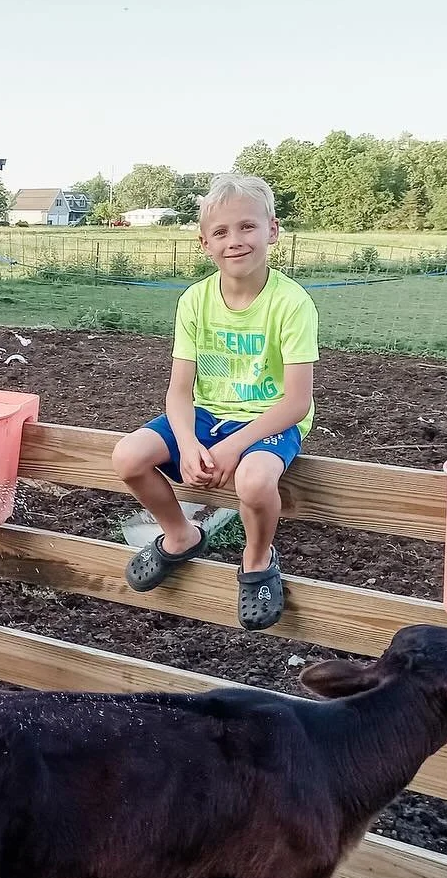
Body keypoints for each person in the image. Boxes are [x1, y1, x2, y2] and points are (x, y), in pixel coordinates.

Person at [111, 173, 319, 631]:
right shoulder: (194, 301)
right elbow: (180, 390)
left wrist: (230, 447)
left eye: (247, 227)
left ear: (272, 231)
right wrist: (187, 443)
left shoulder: (292, 304)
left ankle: (257, 559)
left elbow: (297, 401)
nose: (235, 241)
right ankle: (181, 535)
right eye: (221, 232)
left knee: (254, 482)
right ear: (205, 243)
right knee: (128, 457)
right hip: (207, 413)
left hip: (267, 419)